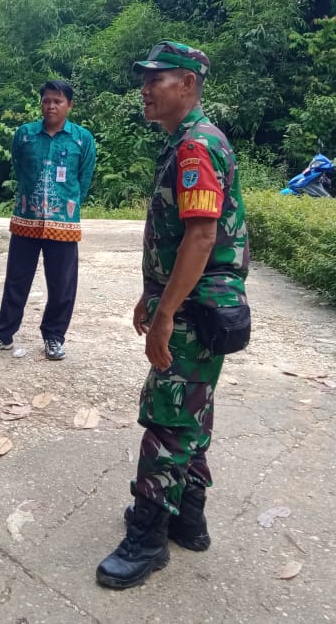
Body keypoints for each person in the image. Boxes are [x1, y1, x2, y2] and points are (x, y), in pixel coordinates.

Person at [95, 40, 249, 590]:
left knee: (168, 414)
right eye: (144, 78)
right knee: (193, 409)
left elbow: (202, 237)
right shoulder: (187, 141)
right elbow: (177, 235)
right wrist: (151, 293)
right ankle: (189, 517)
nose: (145, 88)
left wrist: (164, 316)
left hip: (195, 305)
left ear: (187, 83)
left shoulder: (196, 147)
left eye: (155, 79)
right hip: (196, 299)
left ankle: (148, 537)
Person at [0, 80, 97, 361]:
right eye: (46, 101)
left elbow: (84, 178)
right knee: (16, 280)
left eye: (57, 101)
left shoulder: (82, 139)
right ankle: (2, 335)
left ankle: (54, 337)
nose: (51, 106)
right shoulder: (25, 135)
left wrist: (66, 204)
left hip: (64, 224)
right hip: (26, 220)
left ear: (69, 105)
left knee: (62, 285)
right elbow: (19, 168)